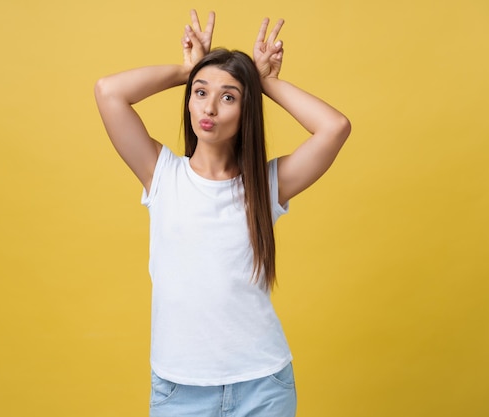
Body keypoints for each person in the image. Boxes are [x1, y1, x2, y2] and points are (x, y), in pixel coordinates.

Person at [94, 10, 350, 417]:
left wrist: (264, 82)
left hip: (262, 385)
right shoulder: (161, 174)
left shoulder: (267, 186)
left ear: (245, 110)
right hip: (180, 391)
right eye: (200, 92)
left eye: (228, 96)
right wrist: (185, 70)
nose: (209, 106)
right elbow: (108, 92)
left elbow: (334, 127)